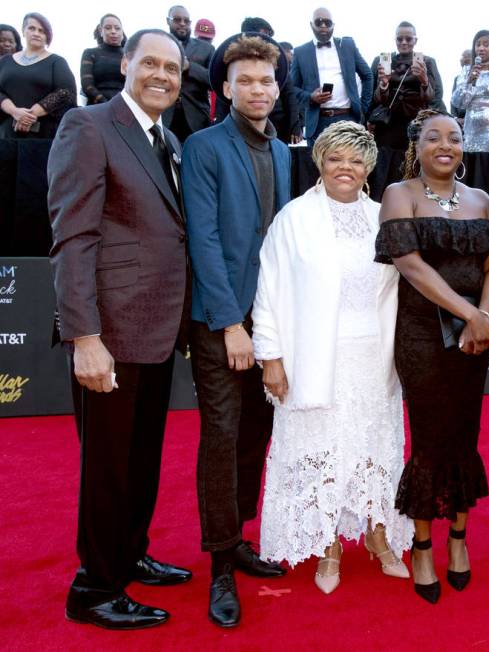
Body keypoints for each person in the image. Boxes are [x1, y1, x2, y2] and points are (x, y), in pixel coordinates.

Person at [48, 28, 191, 630]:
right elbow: (73, 237)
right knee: (107, 466)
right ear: (125, 63)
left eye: (174, 68)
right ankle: (94, 587)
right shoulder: (88, 125)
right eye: (151, 63)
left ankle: (129, 554)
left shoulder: (168, 137)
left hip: (157, 328)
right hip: (109, 332)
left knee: (140, 459)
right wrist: (85, 336)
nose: (163, 75)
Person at [253, 121, 413, 594]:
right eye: (336, 158)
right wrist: (272, 358)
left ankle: (379, 536)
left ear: (368, 167)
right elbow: (269, 290)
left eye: (356, 159)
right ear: (320, 161)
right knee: (320, 453)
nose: (346, 167)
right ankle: (327, 547)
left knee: (373, 452)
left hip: (374, 361)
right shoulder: (294, 218)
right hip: (312, 359)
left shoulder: (383, 215)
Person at [182, 32, 291, 628]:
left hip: (269, 319)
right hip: (221, 320)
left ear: (278, 89)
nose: (257, 89)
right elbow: (204, 239)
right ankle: (220, 564)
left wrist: (272, 323)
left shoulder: (279, 150)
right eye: (245, 80)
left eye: (266, 81)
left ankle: (241, 537)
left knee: (256, 433)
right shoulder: (203, 146)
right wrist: (230, 325)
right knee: (222, 439)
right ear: (225, 88)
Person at [376, 109, 489, 603]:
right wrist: (469, 314)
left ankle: (458, 541)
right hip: (422, 334)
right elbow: (411, 266)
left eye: (454, 137)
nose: (445, 145)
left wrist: (484, 317)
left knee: (464, 436)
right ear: (418, 145)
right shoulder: (399, 194)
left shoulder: (481, 200)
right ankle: (422, 546)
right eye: (434, 137)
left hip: (474, 339)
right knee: (429, 440)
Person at [289, 7, 372, 141]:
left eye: (327, 23)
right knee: (318, 162)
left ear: (333, 25)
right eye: (319, 22)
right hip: (317, 123)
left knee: (348, 161)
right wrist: (311, 97)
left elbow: (367, 75)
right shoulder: (300, 52)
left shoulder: (347, 45)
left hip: (348, 119)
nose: (323, 26)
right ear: (311, 25)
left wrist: (363, 108)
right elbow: (292, 88)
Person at [368, 21, 445, 150]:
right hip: (387, 124)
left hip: (417, 123)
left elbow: (435, 97)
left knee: (414, 163)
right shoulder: (381, 61)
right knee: (386, 164)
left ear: (415, 40)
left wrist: (424, 80)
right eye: (399, 39)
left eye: (408, 39)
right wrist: (383, 85)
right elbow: (374, 97)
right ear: (395, 40)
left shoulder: (427, 62)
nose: (404, 42)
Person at [0, 13, 75, 139]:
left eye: (42, 31)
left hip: (43, 133)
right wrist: (14, 111)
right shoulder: (5, 61)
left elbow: (66, 92)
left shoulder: (57, 62)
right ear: (23, 31)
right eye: (31, 28)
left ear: (48, 36)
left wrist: (30, 115)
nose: (36, 33)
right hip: (6, 132)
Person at [237, 17, 301, 144]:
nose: (268, 40)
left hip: (278, 126)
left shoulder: (277, 61)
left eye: (269, 35)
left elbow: (289, 95)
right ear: (248, 35)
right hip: (242, 125)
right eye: (264, 34)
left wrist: (294, 125)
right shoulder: (234, 61)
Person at [164, 5, 215, 141]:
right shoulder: (157, 45)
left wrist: (190, 67)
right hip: (163, 115)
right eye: (177, 20)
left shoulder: (206, 49)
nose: (182, 24)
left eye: (186, 21)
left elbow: (214, 82)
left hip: (197, 117)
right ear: (168, 21)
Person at [80, 14, 125, 105]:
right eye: (108, 28)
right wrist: (105, 103)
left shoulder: (130, 56)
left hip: (126, 105)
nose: (113, 31)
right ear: (101, 31)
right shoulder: (90, 53)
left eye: (117, 28)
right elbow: (87, 86)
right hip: (97, 107)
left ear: (122, 31)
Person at [451, 49, 471, 121]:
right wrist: (455, 118)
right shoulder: (457, 79)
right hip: (459, 119)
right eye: (462, 57)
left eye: (465, 56)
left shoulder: (478, 76)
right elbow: (453, 100)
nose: (461, 59)